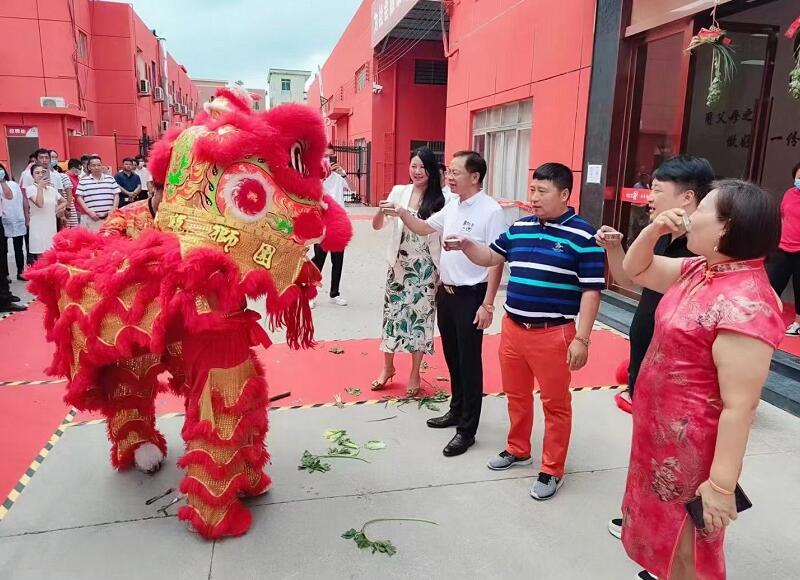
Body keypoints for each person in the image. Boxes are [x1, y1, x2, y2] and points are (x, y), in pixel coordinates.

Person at [620, 180, 784, 580]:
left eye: (703, 208)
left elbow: (740, 406)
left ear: (727, 227)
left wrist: (722, 485)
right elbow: (635, 269)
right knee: (666, 537)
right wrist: (653, 230)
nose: (690, 216)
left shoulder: (746, 302)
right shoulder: (700, 270)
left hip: (692, 453)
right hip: (659, 437)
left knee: (691, 547)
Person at [447, 162, 603, 499]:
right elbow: (491, 257)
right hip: (513, 328)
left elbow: (592, 290)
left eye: (542, 191)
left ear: (564, 194)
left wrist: (582, 339)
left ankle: (551, 469)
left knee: (555, 404)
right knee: (516, 396)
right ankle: (518, 448)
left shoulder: (584, 235)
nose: (534, 197)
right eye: (533, 189)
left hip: (554, 333)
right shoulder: (521, 228)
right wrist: (466, 245)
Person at [596, 155, 715, 542]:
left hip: (679, 377)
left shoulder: (702, 254)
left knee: (676, 465)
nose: (648, 198)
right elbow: (635, 279)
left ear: (687, 199)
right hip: (649, 362)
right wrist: (616, 247)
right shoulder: (665, 237)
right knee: (648, 453)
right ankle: (641, 520)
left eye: (657, 191)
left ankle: (672, 545)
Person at [383, 150, 506, 457]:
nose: (449, 177)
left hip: (471, 296)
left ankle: (467, 430)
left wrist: (488, 304)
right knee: (453, 358)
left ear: (474, 177)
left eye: (455, 172)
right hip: (446, 294)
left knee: (469, 362)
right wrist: (401, 212)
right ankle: (456, 409)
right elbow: (424, 227)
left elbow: (497, 260)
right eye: (448, 172)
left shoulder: (490, 211)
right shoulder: (452, 204)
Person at [371, 147, 446, 396]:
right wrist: (382, 209)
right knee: (392, 316)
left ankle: (415, 373)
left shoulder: (440, 199)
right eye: (413, 166)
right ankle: (387, 367)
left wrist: (440, 272)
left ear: (431, 171)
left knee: (420, 320)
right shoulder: (399, 192)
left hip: (424, 267)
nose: (417, 172)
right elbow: (377, 226)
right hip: (399, 265)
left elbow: (440, 237)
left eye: (422, 167)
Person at [311, 144, 350, 307]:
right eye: (325, 156)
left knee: (338, 261)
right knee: (318, 261)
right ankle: (310, 294)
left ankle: (335, 294)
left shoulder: (339, 178)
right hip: (321, 226)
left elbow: (352, 192)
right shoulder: (314, 179)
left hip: (338, 226)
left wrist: (344, 174)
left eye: (331, 156)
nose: (328, 159)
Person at [767, 160, 800, 335]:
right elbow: (782, 215)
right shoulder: (789, 193)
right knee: (773, 284)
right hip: (783, 247)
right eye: (799, 176)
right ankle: (768, 319)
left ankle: (798, 324)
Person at [25, 163, 66, 262]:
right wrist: (39, 188)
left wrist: (56, 210)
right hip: (38, 226)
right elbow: (40, 204)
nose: (40, 175)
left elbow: (64, 201)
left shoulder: (52, 189)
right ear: (32, 176)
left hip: (50, 225)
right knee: (41, 256)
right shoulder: (30, 189)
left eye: (43, 172)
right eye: (37, 173)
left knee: (52, 253)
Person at [75, 155, 121, 232]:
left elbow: (116, 194)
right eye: (94, 165)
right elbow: (79, 197)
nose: (97, 167)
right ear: (89, 167)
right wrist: (89, 212)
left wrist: (113, 209)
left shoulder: (110, 179)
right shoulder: (83, 181)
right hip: (91, 218)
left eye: (99, 165)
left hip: (109, 217)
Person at [0, 162, 29, 281]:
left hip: (17, 218)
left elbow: (19, 199)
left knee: (19, 248)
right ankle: (5, 274)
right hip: (4, 219)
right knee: (3, 250)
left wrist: (26, 216)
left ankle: (20, 272)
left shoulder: (13, 184)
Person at [64, 159, 82, 228]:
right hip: (73, 208)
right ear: (74, 168)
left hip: (80, 208)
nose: (80, 171)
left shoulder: (78, 178)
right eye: (79, 169)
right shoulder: (66, 178)